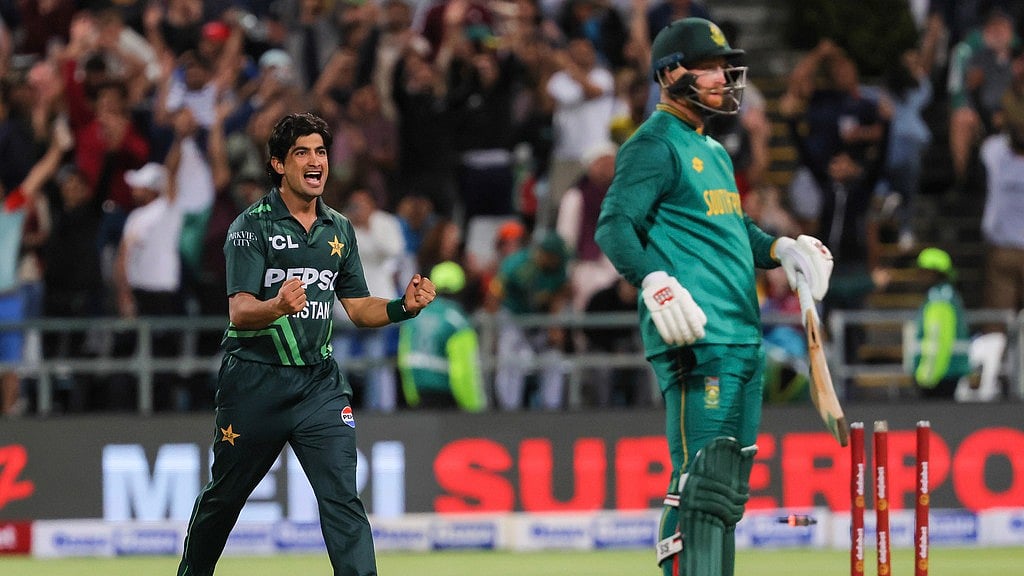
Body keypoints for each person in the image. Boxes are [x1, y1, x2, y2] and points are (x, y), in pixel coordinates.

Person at [593, 18, 834, 576]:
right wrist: (653, 279)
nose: (724, 78)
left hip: (742, 337)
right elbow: (614, 226)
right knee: (699, 486)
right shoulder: (652, 144)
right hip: (696, 337)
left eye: (726, 67)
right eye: (710, 67)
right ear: (670, 74)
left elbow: (732, 228)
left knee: (724, 495)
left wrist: (780, 248)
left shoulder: (713, 151)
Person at [176, 112, 436, 576]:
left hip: (319, 386)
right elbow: (240, 310)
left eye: (320, 152)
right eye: (302, 153)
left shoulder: (339, 229)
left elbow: (358, 307)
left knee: (343, 500)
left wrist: (403, 307)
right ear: (278, 164)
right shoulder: (250, 226)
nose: (316, 162)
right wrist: (277, 305)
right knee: (224, 500)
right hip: (255, 382)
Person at [397, 261, 486, 411]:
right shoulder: (458, 322)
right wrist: (474, 408)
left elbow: (404, 358)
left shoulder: (415, 317)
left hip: (419, 395)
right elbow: (464, 371)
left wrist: (412, 397)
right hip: (447, 398)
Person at [908, 247, 971, 400]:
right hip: (948, 372)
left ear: (935, 273)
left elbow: (939, 338)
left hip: (941, 376)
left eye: (923, 271)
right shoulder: (945, 295)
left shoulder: (939, 298)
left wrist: (928, 376)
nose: (919, 276)